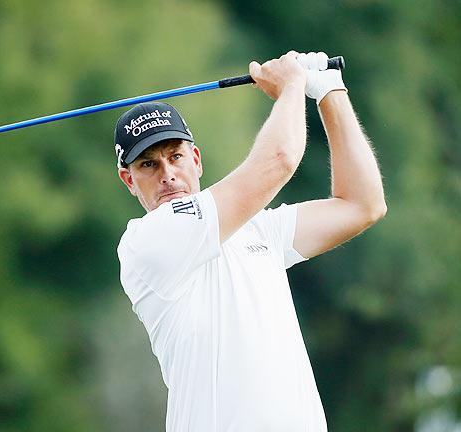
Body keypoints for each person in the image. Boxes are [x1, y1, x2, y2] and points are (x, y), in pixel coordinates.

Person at [113, 51, 387, 431]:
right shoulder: (146, 242)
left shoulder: (259, 230)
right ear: (129, 180)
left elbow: (362, 204)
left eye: (175, 157)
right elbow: (278, 160)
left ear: (196, 159)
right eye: (148, 164)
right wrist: (292, 84)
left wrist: (328, 90)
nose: (168, 175)